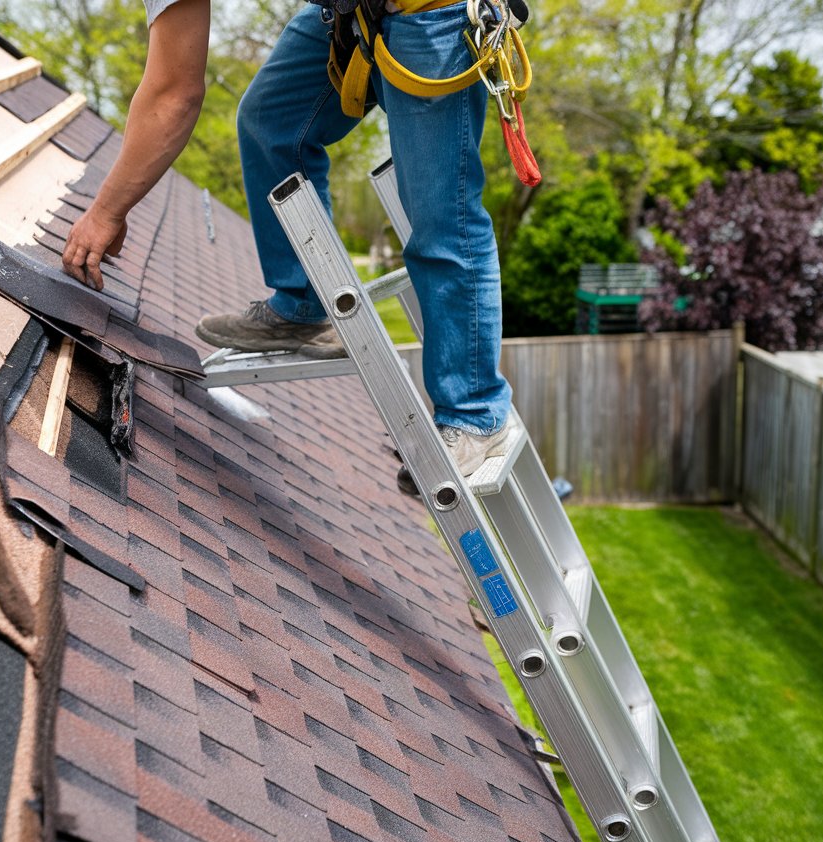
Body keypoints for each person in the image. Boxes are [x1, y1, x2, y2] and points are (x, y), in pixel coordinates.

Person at [62, 0, 516, 490]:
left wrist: (105, 211)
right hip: (353, 11)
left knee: (442, 217)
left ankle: (476, 413)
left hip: (431, 13)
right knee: (271, 122)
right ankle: (304, 304)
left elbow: (173, 96)